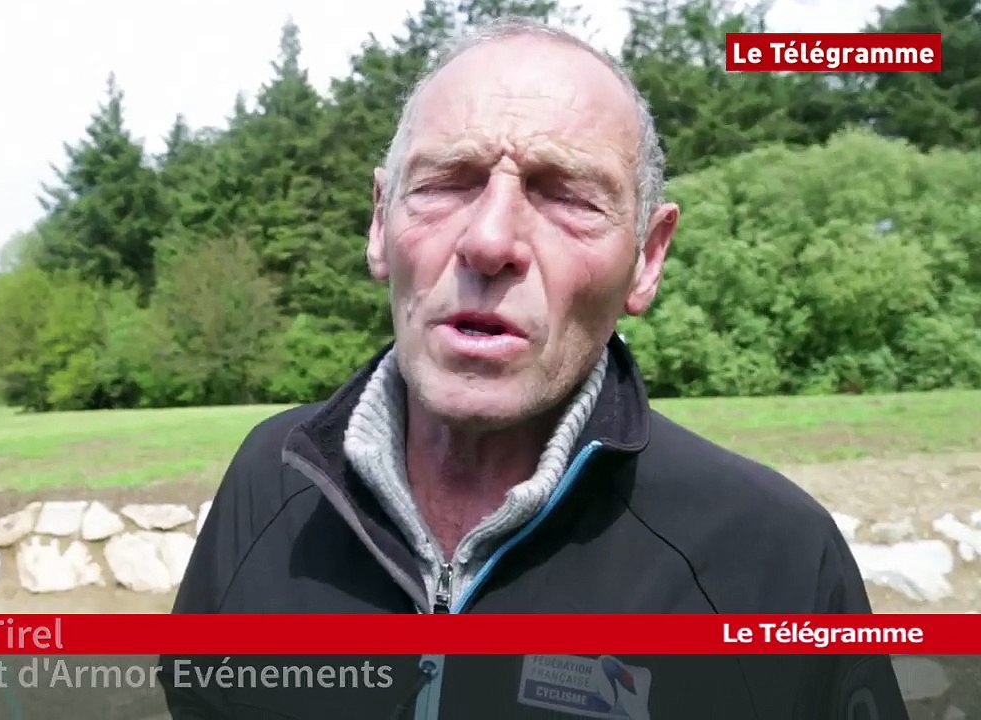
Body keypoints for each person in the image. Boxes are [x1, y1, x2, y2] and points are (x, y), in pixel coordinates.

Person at [161, 16, 908, 720]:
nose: (490, 241)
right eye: (447, 181)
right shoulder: (270, 481)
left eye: (568, 197)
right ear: (381, 222)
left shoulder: (773, 561)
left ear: (647, 259)